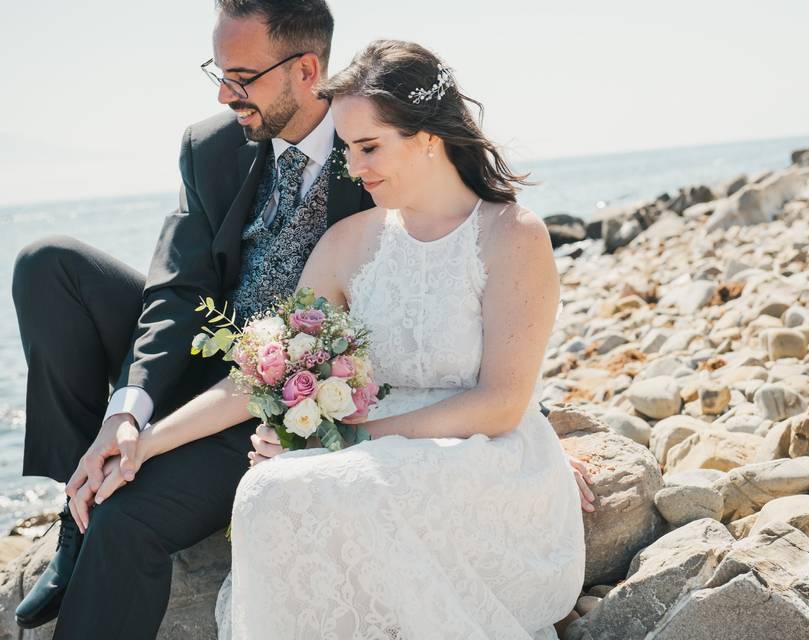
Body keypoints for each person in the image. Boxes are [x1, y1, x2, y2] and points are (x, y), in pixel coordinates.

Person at [91, 40, 589, 639]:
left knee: (319, 485)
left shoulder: (513, 235)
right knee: (268, 487)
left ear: (429, 136)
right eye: (349, 149)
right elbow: (263, 374)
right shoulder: (351, 241)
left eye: (370, 147)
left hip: (483, 461)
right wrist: (144, 442)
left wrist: (349, 440)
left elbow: (503, 402)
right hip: (375, 453)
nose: (354, 169)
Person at [11, 1, 375, 636]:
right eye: (218, 70)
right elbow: (176, 289)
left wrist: (516, 424)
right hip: (203, 352)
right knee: (49, 264)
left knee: (129, 518)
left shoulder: (375, 148)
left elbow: (447, 268)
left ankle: (104, 515)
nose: (224, 92)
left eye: (241, 76)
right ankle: (78, 501)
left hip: (280, 398)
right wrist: (126, 413)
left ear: (307, 70)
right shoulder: (210, 145)